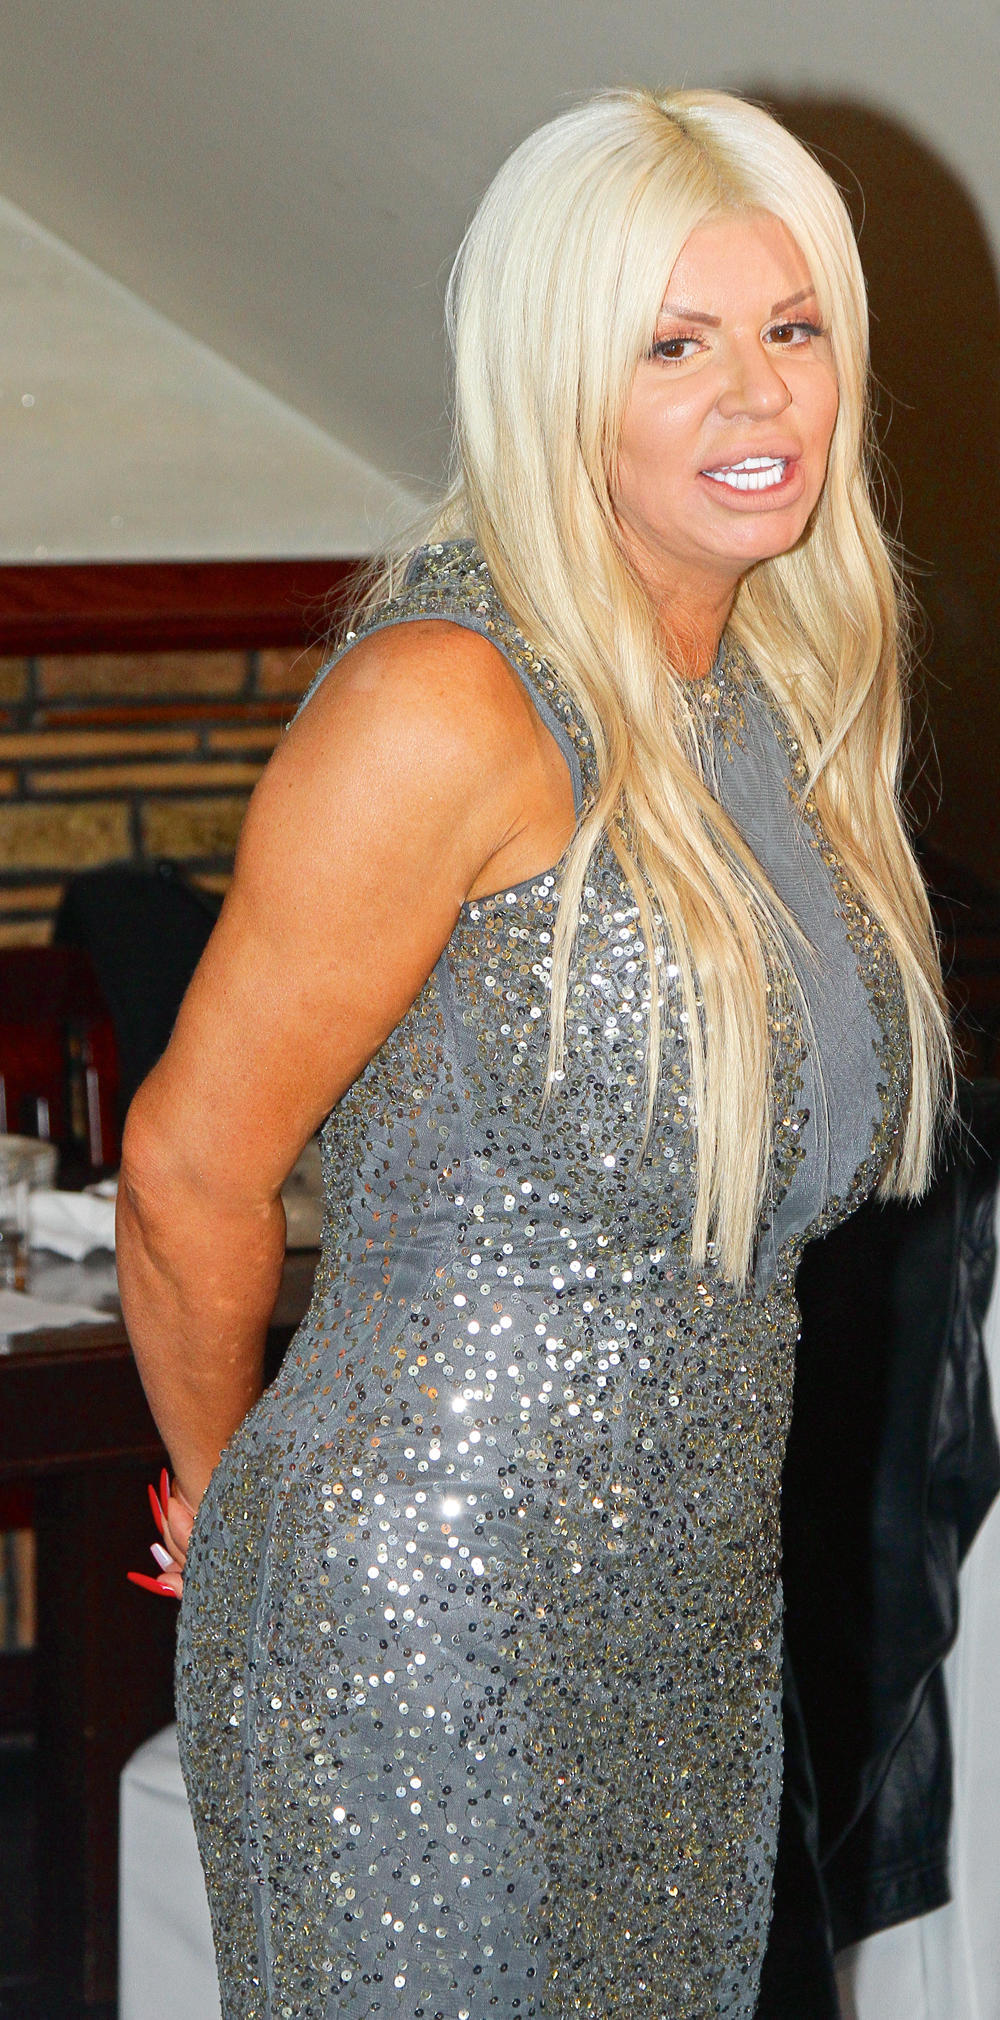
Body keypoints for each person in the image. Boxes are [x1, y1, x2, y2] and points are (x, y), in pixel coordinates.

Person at [116, 85, 953, 2020]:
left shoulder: (776, 695)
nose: (758, 394)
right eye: (674, 347)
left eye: (793, 328)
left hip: (687, 1631)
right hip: (410, 1639)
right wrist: (232, 1507)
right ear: (555, 383)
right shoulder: (449, 702)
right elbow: (185, 1168)